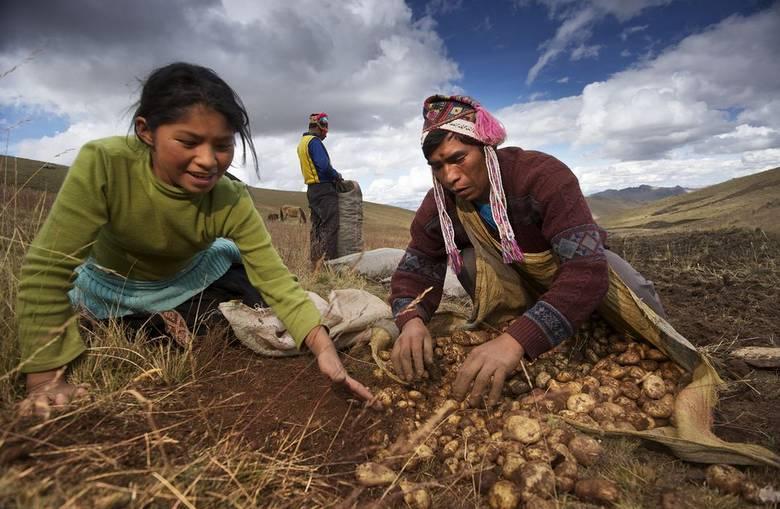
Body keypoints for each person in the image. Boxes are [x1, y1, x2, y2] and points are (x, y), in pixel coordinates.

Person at [17, 62, 375, 416]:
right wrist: (44, 380)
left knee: (242, 319)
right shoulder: (105, 163)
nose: (207, 161)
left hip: (196, 277)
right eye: (188, 141)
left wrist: (322, 347)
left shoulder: (230, 195)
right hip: (114, 288)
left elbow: (275, 279)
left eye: (222, 145)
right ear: (145, 130)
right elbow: (48, 268)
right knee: (148, 335)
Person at [390, 94, 667, 408]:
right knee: (467, 263)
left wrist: (515, 341)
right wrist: (411, 320)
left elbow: (585, 272)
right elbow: (419, 263)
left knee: (626, 289)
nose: (450, 176)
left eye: (458, 158)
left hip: (573, 273)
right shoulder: (441, 203)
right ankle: (528, 321)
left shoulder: (543, 176)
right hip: (520, 282)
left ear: (485, 147)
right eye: (437, 166)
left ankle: (559, 324)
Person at [297, 112, 343, 264]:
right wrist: (336, 175)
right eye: (325, 124)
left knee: (317, 227)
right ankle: (330, 264)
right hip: (324, 190)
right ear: (318, 125)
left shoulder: (302, 143)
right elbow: (323, 166)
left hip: (312, 191)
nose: (326, 129)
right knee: (331, 225)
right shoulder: (314, 142)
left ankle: (315, 261)